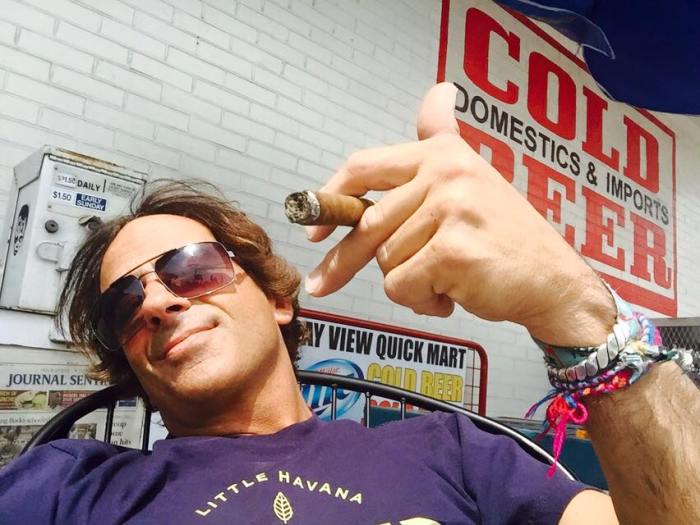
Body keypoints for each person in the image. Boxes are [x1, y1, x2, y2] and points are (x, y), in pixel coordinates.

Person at [0, 83, 695, 524]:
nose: (155, 301)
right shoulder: (70, 486)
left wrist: (573, 308)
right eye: (124, 303)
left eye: (191, 268)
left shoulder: (450, 450)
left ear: (278, 299)